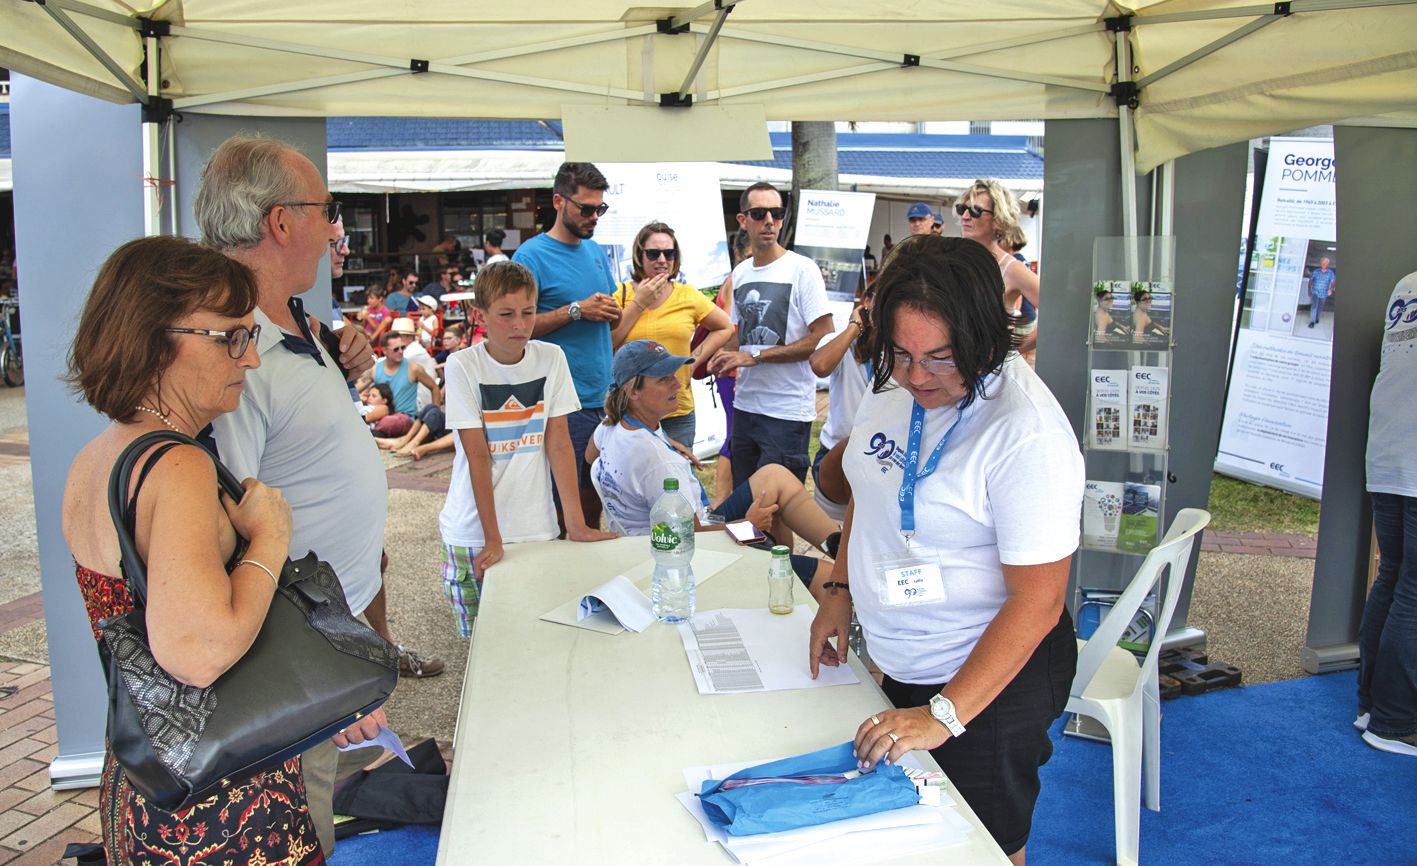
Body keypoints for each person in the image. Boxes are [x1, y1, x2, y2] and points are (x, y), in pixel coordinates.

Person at [194, 134, 439, 856]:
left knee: (329, 801)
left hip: (333, 626)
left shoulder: (294, 319)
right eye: (325, 212)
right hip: (298, 648)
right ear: (279, 222)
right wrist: (306, 675)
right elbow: (230, 526)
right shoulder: (232, 348)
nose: (335, 229)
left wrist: (343, 358)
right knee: (301, 824)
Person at [808, 235, 1083, 865]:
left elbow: (1039, 601)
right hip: (908, 662)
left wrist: (945, 715)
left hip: (989, 680)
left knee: (980, 850)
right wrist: (839, 591)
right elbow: (870, 501)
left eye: (939, 357)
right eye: (901, 354)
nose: (915, 376)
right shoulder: (893, 386)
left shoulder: (1024, 432)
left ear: (987, 335)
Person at [61, 235, 325, 865]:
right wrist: (269, 538)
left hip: (144, 775)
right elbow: (199, 654)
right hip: (221, 800)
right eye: (232, 335)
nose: (250, 358)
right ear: (155, 338)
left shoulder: (101, 456)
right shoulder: (177, 465)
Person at [438, 261, 616, 636]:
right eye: (505, 314)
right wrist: (492, 537)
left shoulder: (551, 358)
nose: (519, 324)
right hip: (473, 532)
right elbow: (477, 454)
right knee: (483, 645)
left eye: (528, 312)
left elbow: (559, 444)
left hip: (537, 527)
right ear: (480, 313)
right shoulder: (462, 366)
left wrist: (576, 524)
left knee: (535, 637)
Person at [588, 340, 839, 593]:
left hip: (654, 540)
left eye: (673, 375)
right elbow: (692, 538)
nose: (677, 383)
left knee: (774, 476)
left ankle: (838, 546)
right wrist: (748, 524)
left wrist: (667, 442)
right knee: (829, 577)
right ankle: (829, 570)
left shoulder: (611, 426)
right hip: (686, 558)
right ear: (633, 392)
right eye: (663, 379)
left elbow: (590, 455)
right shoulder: (659, 463)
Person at [512, 161, 622, 531]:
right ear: (559, 201)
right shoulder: (530, 256)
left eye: (600, 209)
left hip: (602, 399)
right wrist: (576, 310)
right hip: (561, 404)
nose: (594, 217)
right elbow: (517, 328)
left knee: (595, 502)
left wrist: (612, 312)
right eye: (586, 208)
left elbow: (604, 318)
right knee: (564, 507)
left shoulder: (594, 252)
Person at [707, 182, 834, 488]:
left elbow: (823, 337)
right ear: (742, 220)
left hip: (787, 411)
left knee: (779, 509)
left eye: (776, 213)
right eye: (759, 213)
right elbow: (740, 337)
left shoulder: (802, 269)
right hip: (746, 406)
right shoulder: (741, 274)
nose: (769, 221)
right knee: (746, 510)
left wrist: (754, 357)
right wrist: (712, 357)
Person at [1358, 269, 1417, 756]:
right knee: (1412, 589)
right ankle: (1395, 720)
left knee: (1395, 575)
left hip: (1388, 456)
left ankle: (1371, 705)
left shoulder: (1406, 284)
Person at [609, 221, 733, 450]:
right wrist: (639, 303)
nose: (662, 260)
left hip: (677, 411)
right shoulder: (621, 293)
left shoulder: (686, 294)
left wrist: (695, 359)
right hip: (631, 411)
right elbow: (610, 342)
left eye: (669, 253)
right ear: (639, 256)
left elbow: (725, 326)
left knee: (674, 480)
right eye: (653, 254)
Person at [808, 280, 876, 521]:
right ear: (867, 302)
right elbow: (820, 365)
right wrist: (854, 327)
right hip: (837, 456)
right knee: (839, 541)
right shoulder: (847, 344)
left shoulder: (903, 350)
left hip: (882, 458)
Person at [955, 179, 1042, 355]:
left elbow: (1057, 316)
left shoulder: (1012, 269)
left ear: (998, 219)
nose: (965, 216)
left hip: (991, 374)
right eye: (962, 209)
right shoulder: (953, 260)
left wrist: (1010, 350)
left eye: (975, 211)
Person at [712, 229, 751, 499]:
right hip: (732, 372)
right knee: (733, 438)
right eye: (748, 256)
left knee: (739, 437)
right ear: (737, 255)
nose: (752, 261)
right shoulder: (736, 279)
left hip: (742, 370)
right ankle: (721, 503)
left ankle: (731, 500)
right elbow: (727, 328)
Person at [1308, 256, 1336, 328]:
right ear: (1320, 263)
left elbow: (1333, 282)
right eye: (1322, 263)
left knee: (1320, 306)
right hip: (1315, 291)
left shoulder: (1330, 273)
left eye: (1325, 263)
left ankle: (1317, 317)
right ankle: (1312, 321)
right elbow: (1311, 280)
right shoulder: (1316, 271)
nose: (1324, 264)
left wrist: (1331, 289)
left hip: (1324, 293)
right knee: (1314, 306)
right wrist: (1309, 290)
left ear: (1328, 264)